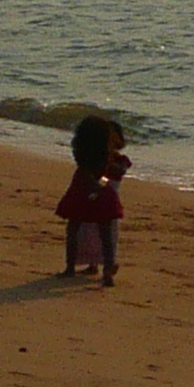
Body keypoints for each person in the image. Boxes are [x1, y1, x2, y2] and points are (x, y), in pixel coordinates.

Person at [53, 113, 129, 286]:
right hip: (102, 194)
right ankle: (107, 271)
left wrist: (95, 185)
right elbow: (109, 174)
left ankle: (70, 267)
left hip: (80, 192)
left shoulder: (83, 156)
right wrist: (100, 186)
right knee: (105, 234)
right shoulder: (107, 156)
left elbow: (85, 173)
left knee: (73, 230)